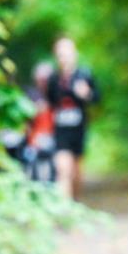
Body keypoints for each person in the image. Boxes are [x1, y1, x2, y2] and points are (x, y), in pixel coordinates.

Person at [47, 37, 99, 199]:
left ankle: (75, 201)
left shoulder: (84, 75)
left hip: (78, 129)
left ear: (74, 54)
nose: (63, 57)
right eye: (60, 54)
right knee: (63, 169)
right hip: (60, 130)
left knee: (76, 172)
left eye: (66, 53)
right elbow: (50, 103)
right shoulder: (54, 79)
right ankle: (65, 208)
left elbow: (97, 98)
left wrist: (87, 94)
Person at [24, 61, 56, 183]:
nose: (44, 82)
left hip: (54, 141)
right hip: (33, 142)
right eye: (41, 79)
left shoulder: (56, 94)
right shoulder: (29, 95)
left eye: (46, 79)